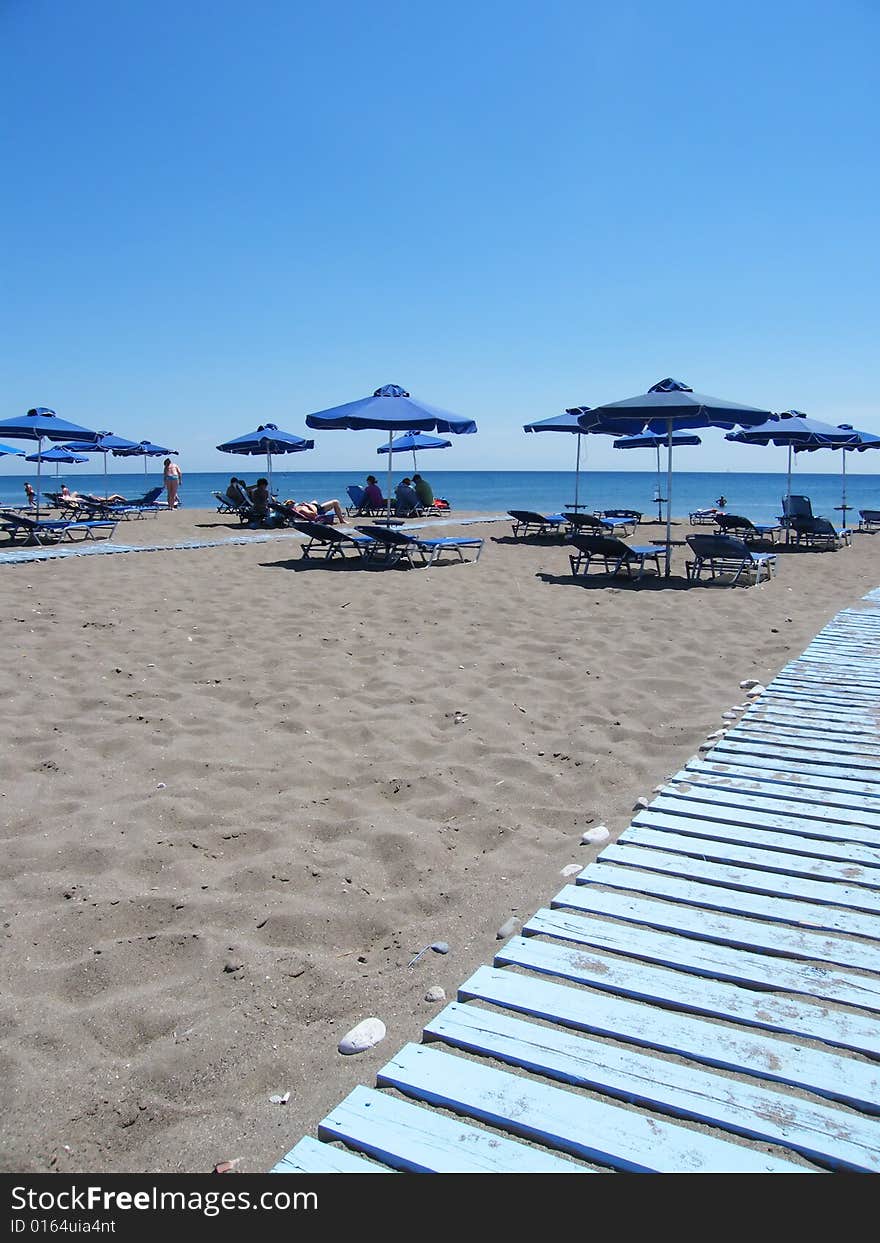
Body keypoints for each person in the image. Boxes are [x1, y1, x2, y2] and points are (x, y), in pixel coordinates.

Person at [283, 497, 347, 524]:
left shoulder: (298, 507)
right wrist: (308, 505)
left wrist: (308, 504)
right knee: (335, 502)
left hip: (315, 506)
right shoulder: (301, 509)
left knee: (314, 501)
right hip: (319, 510)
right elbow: (314, 514)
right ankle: (342, 520)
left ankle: (313, 503)